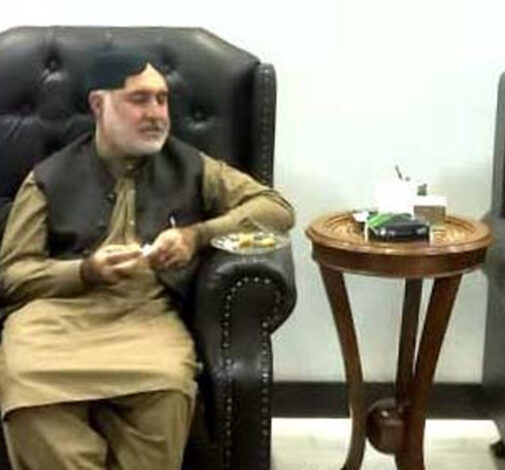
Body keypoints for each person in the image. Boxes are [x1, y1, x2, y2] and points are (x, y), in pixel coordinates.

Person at [0, 50, 294, 470]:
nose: (156, 113)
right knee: (30, 401)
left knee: (168, 389)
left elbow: (275, 209)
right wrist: (86, 270)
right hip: (54, 320)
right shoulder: (48, 178)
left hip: (145, 318)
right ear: (99, 105)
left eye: (162, 99)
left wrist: (196, 235)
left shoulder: (191, 166)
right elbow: (13, 274)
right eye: (139, 99)